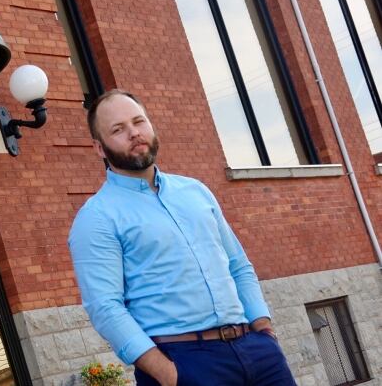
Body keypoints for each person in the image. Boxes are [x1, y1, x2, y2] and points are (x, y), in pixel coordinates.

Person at [68, 89, 296, 386]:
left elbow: (238, 266)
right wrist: (169, 375)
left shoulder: (196, 191)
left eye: (139, 122)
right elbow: (105, 307)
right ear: (99, 148)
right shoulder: (96, 218)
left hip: (256, 351)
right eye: (118, 129)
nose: (134, 133)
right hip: (183, 361)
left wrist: (264, 330)